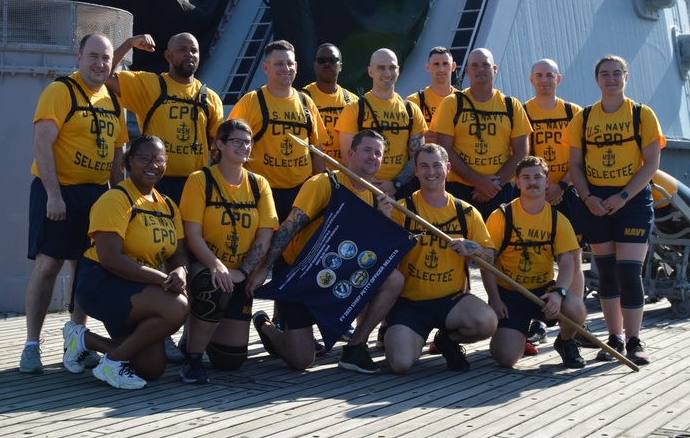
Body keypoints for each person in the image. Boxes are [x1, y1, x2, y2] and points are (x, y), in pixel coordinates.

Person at [245, 130, 405, 374]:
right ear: (350, 153)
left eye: (378, 153)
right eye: (366, 150)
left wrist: (382, 219)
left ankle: (356, 346)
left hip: (337, 271)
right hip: (300, 274)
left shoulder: (376, 197)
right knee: (301, 361)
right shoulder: (324, 183)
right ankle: (267, 327)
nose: (373, 157)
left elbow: (371, 251)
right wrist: (264, 269)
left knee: (394, 278)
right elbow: (288, 227)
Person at [109, 30, 223, 364]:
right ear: (168, 56)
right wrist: (129, 44)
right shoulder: (150, 85)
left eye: (195, 49)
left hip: (192, 188)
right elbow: (107, 77)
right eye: (182, 49)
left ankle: (187, 334)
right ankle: (158, 330)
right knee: (152, 256)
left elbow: (218, 145)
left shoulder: (209, 97)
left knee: (186, 257)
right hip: (154, 186)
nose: (190, 54)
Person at [20, 33, 127, 375]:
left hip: (95, 194)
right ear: (78, 57)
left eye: (106, 58)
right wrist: (54, 194)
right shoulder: (60, 91)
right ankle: (31, 345)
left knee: (86, 267)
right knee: (48, 264)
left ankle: (75, 342)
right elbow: (42, 143)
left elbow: (116, 154)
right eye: (93, 56)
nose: (99, 64)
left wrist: (120, 197)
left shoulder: (112, 100)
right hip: (60, 190)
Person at [564, 55, 664, 365]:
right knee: (606, 273)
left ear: (626, 77)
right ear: (597, 80)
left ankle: (634, 340)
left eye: (617, 73)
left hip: (631, 201)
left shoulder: (641, 115)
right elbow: (575, 165)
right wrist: (587, 197)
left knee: (629, 272)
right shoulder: (584, 118)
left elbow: (651, 164)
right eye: (605, 74)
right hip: (595, 201)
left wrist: (623, 196)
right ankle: (614, 339)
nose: (611, 79)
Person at [68, 135, 190, 389]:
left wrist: (180, 271)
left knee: (151, 369)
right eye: (144, 158)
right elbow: (110, 259)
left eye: (159, 159)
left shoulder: (168, 205)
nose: (152, 165)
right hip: (103, 284)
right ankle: (111, 362)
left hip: (139, 287)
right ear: (128, 162)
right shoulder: (115, 199)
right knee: (177, 307)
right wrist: (162, 279)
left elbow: (178, 254)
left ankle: (83, 340)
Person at [178, 119, 279, 384]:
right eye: (237, 141)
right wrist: (216, 265)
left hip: (240, 271)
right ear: (219, 144)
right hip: (207, 266)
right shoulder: (200, 180)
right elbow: (192, 234)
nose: (244, 147)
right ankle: (193, 359)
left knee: (230, 360)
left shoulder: (259, 184)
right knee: (212, 287)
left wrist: (245, 271)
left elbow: (266, 233)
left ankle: (201, 330)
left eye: (248, 142)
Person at [385, 143, 498, 374]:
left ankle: (447, 340)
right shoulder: (401, 210)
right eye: (424, 166)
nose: (431, 172)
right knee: (400, 364)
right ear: (415, 171)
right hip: (410, 303)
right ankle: (404, 333)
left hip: (452, 301)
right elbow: (380, 255)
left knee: (487, 322)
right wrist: (383, 220)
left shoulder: (466, 212)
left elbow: (490, 257)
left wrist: (473, 248)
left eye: (437, 166)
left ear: (447, 168)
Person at [482, 156, 588, 369]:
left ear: (547, 182)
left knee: (576, 307)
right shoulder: (501, 216)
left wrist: (558, 293)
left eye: (538, 177)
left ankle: (566, 341)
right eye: (526, 178)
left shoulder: (558, 219)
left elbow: (567, 261)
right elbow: (487, 261)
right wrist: (494, 299)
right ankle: (516, 333)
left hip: (543, 293)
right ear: (517, 183)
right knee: (506, 358)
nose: (532, 182)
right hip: (509, 293)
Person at [523, 58, 586, 347]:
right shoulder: (522, 112)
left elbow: (580, 158)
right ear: (531, 80)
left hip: (565, 191)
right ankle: (531, 321)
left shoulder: (574, 113)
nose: (544, 80)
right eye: (539, 75)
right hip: (534, 192)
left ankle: (573, 325)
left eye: (549, 75)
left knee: (572, 257)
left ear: (558, 80)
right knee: (532, 256)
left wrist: (562, 185)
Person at [228, 40, 326, 221]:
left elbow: (317, 151)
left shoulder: (306, 103)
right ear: (266, 68)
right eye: (279, 64)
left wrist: (320, 191)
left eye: (289, 63)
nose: (285, 68)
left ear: (296, 66)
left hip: (300, 194)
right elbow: (228, 148)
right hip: (261, 192)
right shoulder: (251, 102)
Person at [431, 47, 531, 219]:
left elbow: (521, 152)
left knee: (499, 244)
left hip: (500, 190)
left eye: (485, 65)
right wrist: (477, 180)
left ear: (494, 69)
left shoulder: (511, 106)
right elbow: (443, 149)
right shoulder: (452, 104)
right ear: (467, 71)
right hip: (460, 190)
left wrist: (494, 185)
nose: (480, 69)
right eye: (475, 66)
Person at [335, 48, 427, 197]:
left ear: (398, 70)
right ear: (370, 72)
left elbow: (417, 156)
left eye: (392, 68)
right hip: (363, 191)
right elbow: (347, 157)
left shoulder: (412, 111)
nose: (387, 73)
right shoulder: (354, 109)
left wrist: (396, 184)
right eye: (381, 68)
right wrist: (374, 185)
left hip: (400, 191)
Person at [303, 43, 357, 163]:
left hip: (344, 176)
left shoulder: (353, 101)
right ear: (314, 65)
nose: (327, 64)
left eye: (332, 60)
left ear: (340, 66)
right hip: (312, 177)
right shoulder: (302, 98)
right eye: (322, 60)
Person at [406, 46, 458, 141]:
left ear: (453, 67)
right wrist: (419, 140)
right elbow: (402, 139)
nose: (441, 69)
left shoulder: (463, 101)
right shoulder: (413, 102)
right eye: (436, 64)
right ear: (428, 67)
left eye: (445, 64)